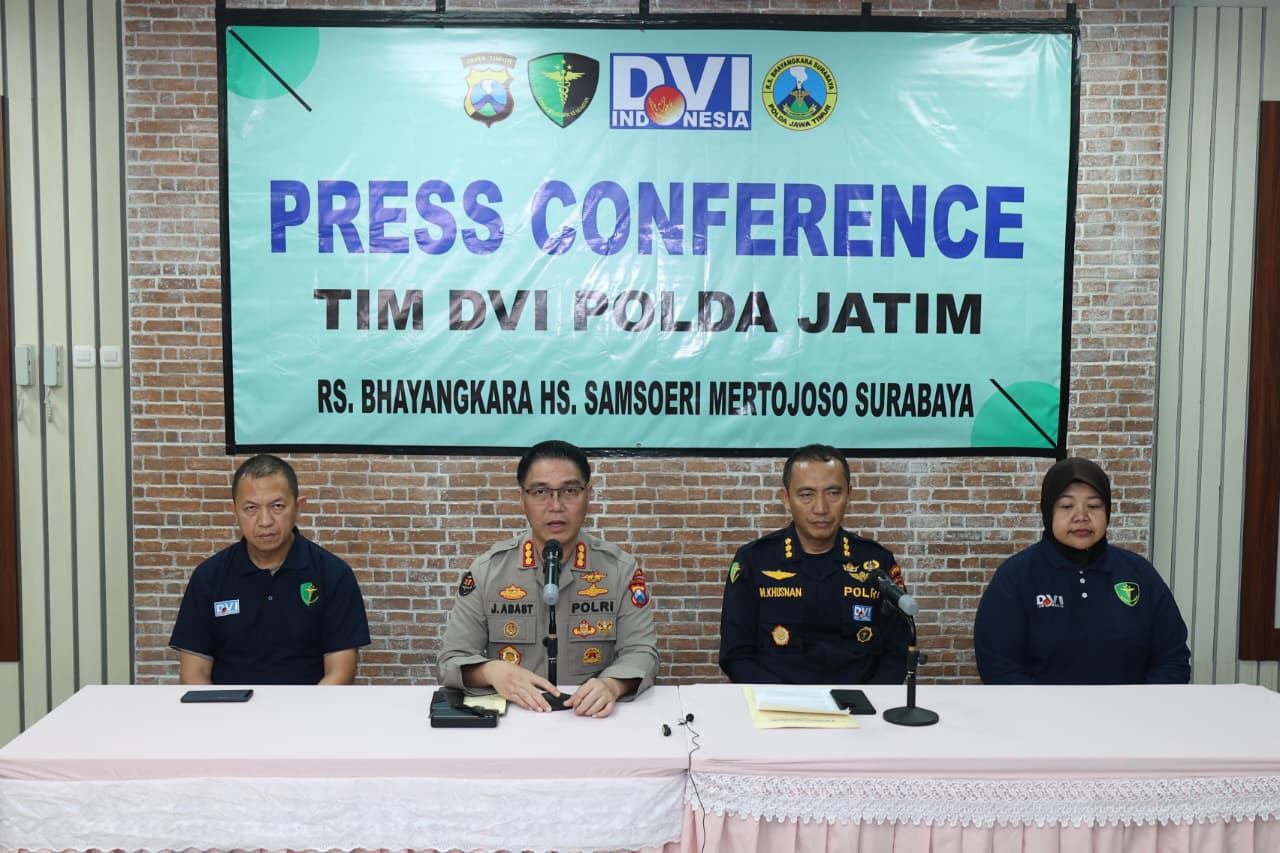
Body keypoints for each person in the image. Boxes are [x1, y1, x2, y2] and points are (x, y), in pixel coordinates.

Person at [438, 440, 658, 717]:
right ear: (522, 499)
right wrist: (489, 670)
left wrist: (612, 685)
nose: (556, 506)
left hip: (590, 719)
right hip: (515, 720)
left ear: (588, 495)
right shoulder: (488, 571)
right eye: (540, 492)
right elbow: (450, 660)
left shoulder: (619, 570)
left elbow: (641, 651)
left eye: (569, 491)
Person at [973, 457, 1191, 684]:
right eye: (1067, 506)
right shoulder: (1015, 577)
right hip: (1040, 717)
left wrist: (1138, 712)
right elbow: (998, 666)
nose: (1081, 517)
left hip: (1129, 716)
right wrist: (1046, 715)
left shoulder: (1139, 573)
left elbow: (1172, 659)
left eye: (1094, 506)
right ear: (1048, 511)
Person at [169, 454, 371, 684]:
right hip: (229, 714)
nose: (265, 521)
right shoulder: (208, 577)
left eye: (277, 506)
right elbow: (194, 675)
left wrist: (304, 718)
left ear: (298, 507)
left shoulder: (333, 575)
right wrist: (224, 718)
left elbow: (340, 673)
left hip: (309, 713)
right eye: (251, 508)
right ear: (234, 510)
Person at [718, 444, 910, 684]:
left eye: (833, 493)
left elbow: (898, 652)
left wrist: (868, 703)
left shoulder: (876, 564)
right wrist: (783, 703)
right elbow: (736, 655)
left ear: (849, 494)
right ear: (786, 499)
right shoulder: (754, 562)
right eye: (806, 495)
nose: (821, 508)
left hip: (861, 709)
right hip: (777, 708)